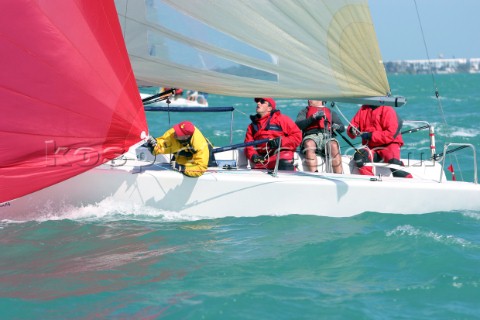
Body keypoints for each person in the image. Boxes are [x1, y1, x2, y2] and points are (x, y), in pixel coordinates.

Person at [347, 104, 412, 178]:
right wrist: (352, 130)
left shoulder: (388, 109)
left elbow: (391, 133)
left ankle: (411, 182)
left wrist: (370, 135)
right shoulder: (363, 109)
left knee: (395, 165)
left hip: (389, 145)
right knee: (359, 156)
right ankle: (370, 181)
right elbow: (352, 127)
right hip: (371, 147)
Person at [244, 97, 302, 170]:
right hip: (263, 160)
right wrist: (253, 156)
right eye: (258, 101)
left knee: (284, 163)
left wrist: (280, 142)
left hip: (281, 156)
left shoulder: (282, 119)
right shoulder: (252, 126)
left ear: (269, 108)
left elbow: (297, 137)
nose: (258, 103)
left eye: (262, 102)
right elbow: (248, 145)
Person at [145, 121, 214, 177]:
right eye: (176, 130)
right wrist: (153, 144)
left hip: (201, 157)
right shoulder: (175, 132)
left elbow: (200, 168)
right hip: (184, 152)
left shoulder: (199, 146)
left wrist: (182, 168)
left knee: (188, 170)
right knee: (175, 165)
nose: (175, 133)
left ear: (186, 136)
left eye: (178, 133)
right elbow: (164, 143)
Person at [295, 100, 345, 173]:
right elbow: (298, 125)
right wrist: (313, 118)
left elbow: (342, 128)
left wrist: (337, 127)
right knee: (309, 144)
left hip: (327, 136)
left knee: (333, 145)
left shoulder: (331, 112)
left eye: (312, 98)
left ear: (320, 100)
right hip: (311, 135)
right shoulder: (304, 111)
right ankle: (314, 174)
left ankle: (339, 175)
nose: (309, 100)